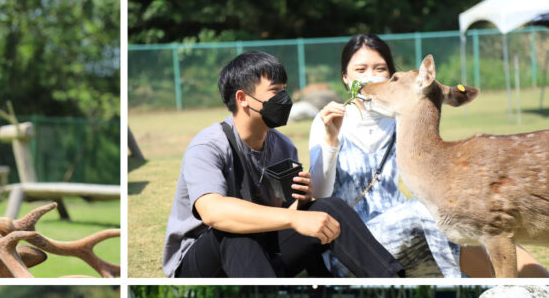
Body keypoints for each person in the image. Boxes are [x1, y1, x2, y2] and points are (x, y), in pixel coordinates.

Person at [309, 33, 549, 278]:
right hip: (351, 245)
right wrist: (330, 141)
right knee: (433, 214)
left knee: (478, 220)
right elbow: (318, 196)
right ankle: (467, 291)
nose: (370, 76)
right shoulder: (327, 121)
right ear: (346, 78)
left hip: (409, 233)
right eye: (360, 69)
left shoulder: (404, 124)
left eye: (380, 69)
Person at [162, 51, 404, 278]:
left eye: (285, 90)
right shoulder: (208, 146)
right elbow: (214, 212)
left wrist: (302, 203)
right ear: (243, 98)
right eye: (275, 91)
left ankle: (394, 281)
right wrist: (293, 219)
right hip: (204, 264)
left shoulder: (282, 146)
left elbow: (288, 214)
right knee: (234, 231)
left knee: (329, 207)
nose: (285, 99)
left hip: (261, 256)